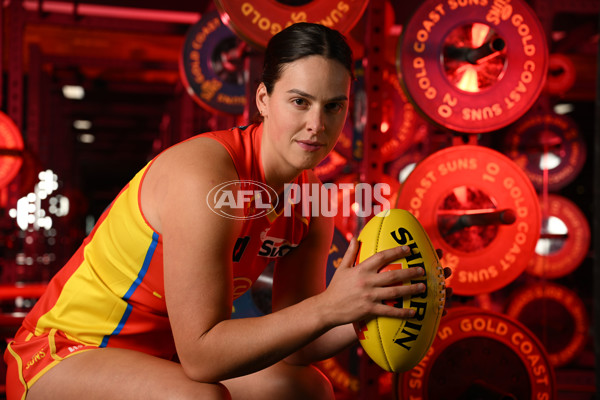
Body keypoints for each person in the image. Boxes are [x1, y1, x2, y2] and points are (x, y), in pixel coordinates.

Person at [5, 22, 448, 400]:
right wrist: (330, 306)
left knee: (306, 389)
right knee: (200, 397)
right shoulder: (206, 177)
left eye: (334, 106)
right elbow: (202, 356)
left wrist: (372, 305)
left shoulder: (309, 199)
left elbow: (297, 342)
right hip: (64, 354)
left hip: (162, 356)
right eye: (299, 102)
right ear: (262, 100)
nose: (318, 125)